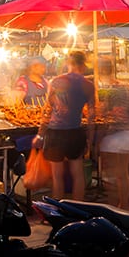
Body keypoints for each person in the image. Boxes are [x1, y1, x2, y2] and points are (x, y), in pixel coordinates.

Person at [33, 50, 96, 200]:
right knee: (78, 173)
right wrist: (90, 139)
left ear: (68, 62)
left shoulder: (56, 81)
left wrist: (40, 135)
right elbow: (92, 116)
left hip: (56, 133)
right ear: (83, 65)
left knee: (57, 176)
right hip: (76, 132)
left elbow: (47, 110)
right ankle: (78, 209)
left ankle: (58, 211)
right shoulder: (88, 85)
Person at [99, 83, 129, 209]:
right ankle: (123, 205)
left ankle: (114, 204)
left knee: (111, 174)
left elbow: (102, 114)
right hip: (128, 135)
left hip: (112, 137)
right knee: (123, 173)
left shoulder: (111, 94)